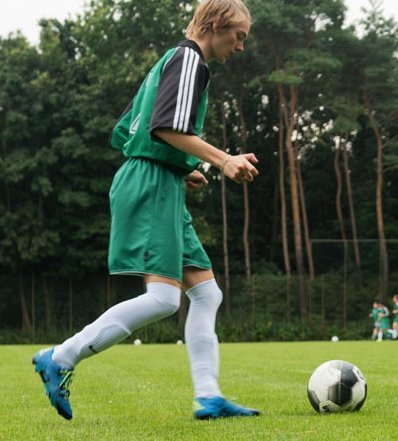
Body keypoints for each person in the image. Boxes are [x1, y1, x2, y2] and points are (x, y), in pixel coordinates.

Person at [32, 0, 260, 421]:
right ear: (215, 25)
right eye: (239, 36)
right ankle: (60, 356)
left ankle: (208, 397)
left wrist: (182, 165)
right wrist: (221, 159)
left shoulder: (168, 61)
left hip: (161, 180)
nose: (240, 47)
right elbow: (167, 127)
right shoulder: (192, 60)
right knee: (164, 299)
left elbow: (125, 132)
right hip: (152, 185)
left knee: (207, 293)